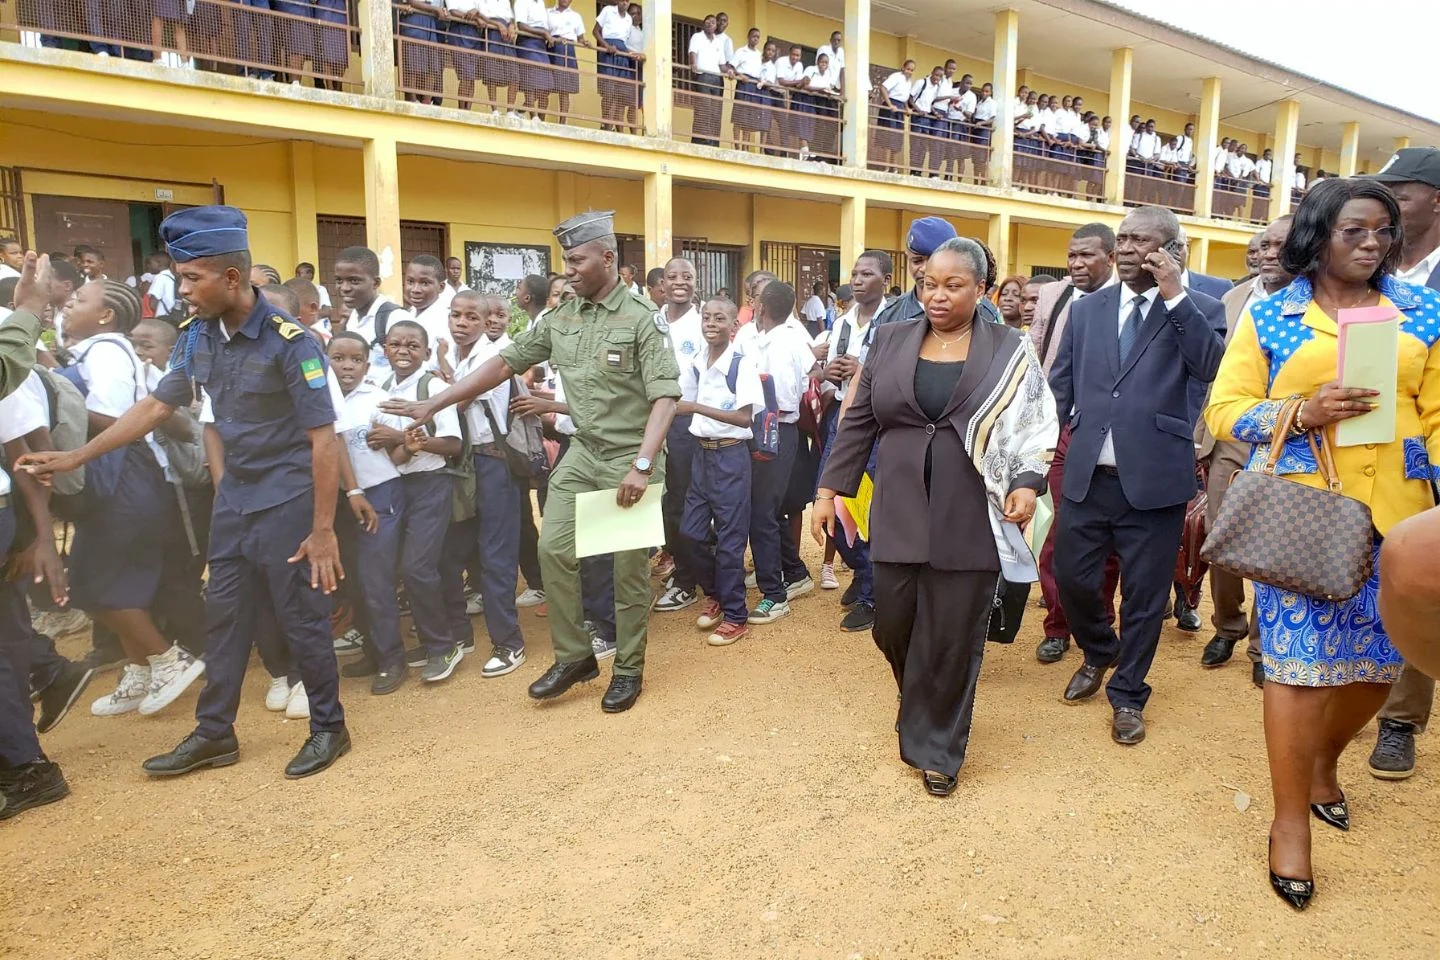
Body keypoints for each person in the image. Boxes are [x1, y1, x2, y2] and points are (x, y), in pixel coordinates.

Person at [20, 206, 352, 780]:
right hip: (236, 502)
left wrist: (323, 529)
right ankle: (215, 733)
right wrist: (76, 454)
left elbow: (323, 441)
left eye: (191, 278)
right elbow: (155, 405)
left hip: (287, 503)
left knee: (300, 617)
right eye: (179, 277)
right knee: (223, 618)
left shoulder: (290, 343)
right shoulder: (199, 334)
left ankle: (329, 727)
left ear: (230, 278)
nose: (182, 290)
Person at [1205, 177, 1440, 910]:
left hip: (1397, 517)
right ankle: (1287, 826)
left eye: (1383, 233)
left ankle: (1324, 764)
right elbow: (1224, 410)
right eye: (1354, 232)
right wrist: (1300, 411)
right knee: (1300, 669)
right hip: (1304, 515)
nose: (1372, 245)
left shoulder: (1423, 311)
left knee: (1377, 666)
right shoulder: (1274, 315)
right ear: (1318, 234)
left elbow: (1436, 412)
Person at [382, 210, 679, 713]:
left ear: (607, 258)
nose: (570, 269)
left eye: (578, 259)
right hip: (583, 452)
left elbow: (666, 399)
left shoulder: (640, 318)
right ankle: (575, 656)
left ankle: (628, 667)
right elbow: (504, 363)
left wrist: (643, 465)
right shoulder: (561, 317)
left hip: (630, 457)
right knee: (554, 553)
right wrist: (437, 402)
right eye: (566, 261)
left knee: (625, 571)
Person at [814, 237, 1057, 797]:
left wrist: (1025, 484)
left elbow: (1036, 425)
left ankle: (938, 747)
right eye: (929, 284)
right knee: (892, 623)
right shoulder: (892, 338)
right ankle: (922, 700)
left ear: (982, 290)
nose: (938, 296)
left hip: (970, 509)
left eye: (954, 285)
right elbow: (857, 423)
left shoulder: (1008, 349)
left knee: (950, 632)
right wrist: (829, 491)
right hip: (898, 505)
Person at [1048, 206, 1226, 747]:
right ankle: (1101, 650)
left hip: (1154, 481)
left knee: (1146, 598)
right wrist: (1039, 455)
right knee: (1074, 581)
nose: (1127, 249)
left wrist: (1174, 293)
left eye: (1141, 241)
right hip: (1087, 477)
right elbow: (1061, 386)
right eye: (1122, 239)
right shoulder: (1087, 310)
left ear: (1171, 250)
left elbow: (1210, 365)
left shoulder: (1200, 307)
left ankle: (1128, 693)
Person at [51, 279, 206, 719]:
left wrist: (53, 396)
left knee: (94, 582)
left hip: (122, 473)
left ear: (106, 316)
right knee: (109, 579)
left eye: (79, 301)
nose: (67, 307)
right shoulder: (92, 353)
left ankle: (167, 660)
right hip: (118, 475)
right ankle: (139, 670)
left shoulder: (107, 352)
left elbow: (118, 421)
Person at [1363, 146, 1440, 780]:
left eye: (1403, 193)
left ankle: (1400, 722)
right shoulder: (1364, 271)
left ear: (1437, 200)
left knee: (1419, 578)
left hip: (1429, 458)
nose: (1389, 205)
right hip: (1354, 454)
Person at [1194, 215, 1293, 686]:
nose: (1268, 254)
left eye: (1279, 246)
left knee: (1274, 546)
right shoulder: (1232, 299)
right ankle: (1227, 626)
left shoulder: (1315, 304)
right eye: (1263, 246)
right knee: (1221, 536)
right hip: (1231, 436)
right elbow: (1211, 376)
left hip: (1292, 441)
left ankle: (1260, 645)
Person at [0, 253, 74, 820]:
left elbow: (30, 451)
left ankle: (24, 766)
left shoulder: (16, 364)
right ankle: (23, 762)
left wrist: (38, 537)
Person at [437, 291, 529, 678]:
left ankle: (509, 644)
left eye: (471, 317)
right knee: (448, 553)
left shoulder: (494, 359)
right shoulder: (453, 359)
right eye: (456, 315)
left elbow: (455, 403)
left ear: (487, 320)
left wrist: (438, 387)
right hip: (460, 465)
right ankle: (460, 636)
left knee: (496, 556)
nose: (462, 323)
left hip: (493, 465)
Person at [325, 332, 408, 694]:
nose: (346, 366)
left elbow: (406, 450)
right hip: (338, 501)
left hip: (380, 495)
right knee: (355, 582)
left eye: (355, 359)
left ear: (366, 363)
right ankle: (373, 651)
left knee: (376, 579)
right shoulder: (318, 399)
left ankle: (393, 659)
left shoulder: (378, 399)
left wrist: (397, 440)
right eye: (338, 358)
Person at [817, 251, 892, 631]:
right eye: (855, 274)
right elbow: (830, 379)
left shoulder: (895, 321)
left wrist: (865, 373)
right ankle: (863, 571)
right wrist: (830, 372)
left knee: (869, 512)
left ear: (886, 282)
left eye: (868, 274)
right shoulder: (843, 322)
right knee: (829, 502)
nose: (859, 280)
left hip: (877, 427)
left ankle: (873, 595)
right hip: (843, 422)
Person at [681, 298, 762, 646]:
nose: (711, 323)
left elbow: (746, 418)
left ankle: (734, 615)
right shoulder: (696, 361)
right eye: (706, 317)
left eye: (720, 318)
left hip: (730, 457)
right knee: (690, 533)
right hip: (702, 456)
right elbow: (676, 402)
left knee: (730, 540)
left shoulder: (741, 365)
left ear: (734, 325)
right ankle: (716, 592)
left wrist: (698, 406)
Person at [743, 281, 819, 627]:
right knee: (768, 512)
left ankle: (774, 595)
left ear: (761, 307)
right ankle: (796, 571)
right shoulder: (771, 338)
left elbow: (784, 395)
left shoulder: (782, 342)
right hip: (771, 430)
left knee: (763, 512)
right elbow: (810, 375)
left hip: (776, 430)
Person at [653, 257, 705, 615]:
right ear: (663, 284)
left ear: (695, 282)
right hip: (653, 421)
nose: (680, 282)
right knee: (662, 501)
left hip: (687, 424)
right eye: (673, 277)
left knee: (685, 501)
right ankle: (680, 565)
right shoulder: (652, 320)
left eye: (687, 276)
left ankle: (688, 579)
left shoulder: (703, 323)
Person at [872, 217, 957, 331]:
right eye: (917, 261)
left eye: (934, 260)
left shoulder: (975, 316)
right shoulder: (890, 315)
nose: (924, 268)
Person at [335, 246, 403, 378]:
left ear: (376, 283)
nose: (344, 288)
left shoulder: (395, 319)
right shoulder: (351, 319)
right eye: (339, 280)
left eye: (354, 281)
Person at [546, 0, 592, 124]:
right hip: (552, 47)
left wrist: (585, 42)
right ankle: (540, 118)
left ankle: (562, 122)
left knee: (565, 89)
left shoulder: (576, 16)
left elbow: (581, 37)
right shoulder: (547, 13)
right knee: (545, 84)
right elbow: (544, 32)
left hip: (568, 49)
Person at [686, 14, 726, 148]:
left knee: (715, 110)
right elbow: (692, 53)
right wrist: (693, 64)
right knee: (704, 108)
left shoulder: (719, 42)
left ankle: (713, 142)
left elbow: (722, 65)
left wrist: (730, 71)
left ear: (716, 26)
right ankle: (701, 141)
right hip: (703, 76)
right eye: (707, 21)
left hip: (716, 78)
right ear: (704, 24)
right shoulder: (697, 37)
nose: (710, 24)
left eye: (713, 22)